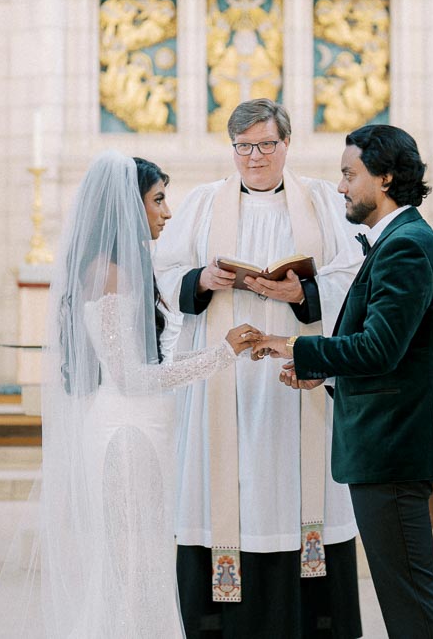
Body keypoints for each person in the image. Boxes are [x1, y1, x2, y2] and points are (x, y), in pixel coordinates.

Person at [0, 151, 260, 637]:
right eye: (158, 200)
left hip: (142, 429)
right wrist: (220, 355)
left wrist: (212, 351)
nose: (167, 212)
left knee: (145, 563)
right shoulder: (110, 273)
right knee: (134, 567)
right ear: (128, 206)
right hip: (126, 436)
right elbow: (131, 378)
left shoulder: (124, 268)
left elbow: (144, 367)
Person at [153, 99, 366, 638]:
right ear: (232, 149)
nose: (255, 157)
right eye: (244, 146)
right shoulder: (203, 205)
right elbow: (164, 271)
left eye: (266, 145)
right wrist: (201, 280)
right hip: (223, 384)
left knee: (301, 490)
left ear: (286, 145)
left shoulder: (320, 201)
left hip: (298, 384)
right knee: (229, 492)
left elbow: (354, 278)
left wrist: (304, 291)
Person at [256, 124, 433, 639]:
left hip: (392, 447)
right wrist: (321, 371)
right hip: (392, 443)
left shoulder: (406, 247)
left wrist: (294, 347)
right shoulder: (400, 241)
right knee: (404, 594)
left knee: (410, 600)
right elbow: (392, 352)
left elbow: (378, 348)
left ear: (385, 177)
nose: (341, 187)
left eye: (350, 174)